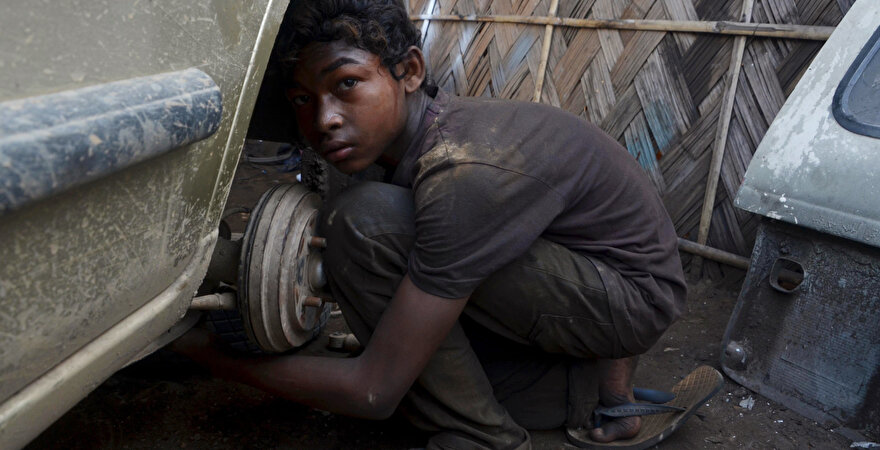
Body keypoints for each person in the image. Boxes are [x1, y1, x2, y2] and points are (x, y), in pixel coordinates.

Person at [173, 1, 687, 448]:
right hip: (600, 291)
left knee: (365, 223)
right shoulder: (433, 135)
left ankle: (481, 437)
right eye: (303, 100)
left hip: (628, 304)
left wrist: (210, 357)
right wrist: (615, 397)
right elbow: (609, 234)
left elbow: (372, 393)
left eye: (346, 84)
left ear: (410, 70)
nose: (324, 118)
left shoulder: (460, 174)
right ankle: (587, 396)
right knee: (440, 374)